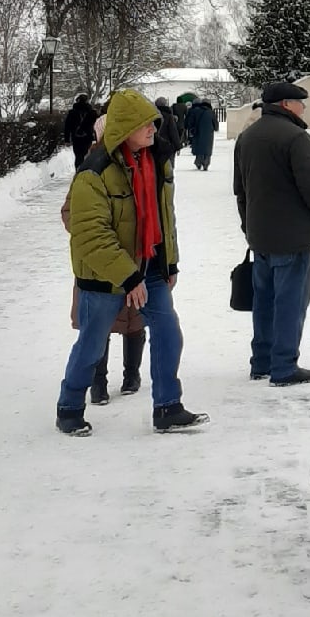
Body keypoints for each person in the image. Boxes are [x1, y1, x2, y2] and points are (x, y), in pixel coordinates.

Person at [56, 88, 208, 436]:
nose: (154, 130)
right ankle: (69, 405)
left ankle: (167, 406)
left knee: (169, 330)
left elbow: (164, 217)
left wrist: (169, 264)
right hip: (105, 276)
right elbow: (91, 235)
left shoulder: (156, 163)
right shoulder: (94, 172)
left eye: (154, 123)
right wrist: (127, 277)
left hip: (150, 267)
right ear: (125, 128)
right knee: (93, 342)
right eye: (146, 125)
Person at [233, 81, 310, 386]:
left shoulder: (247, 136)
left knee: (264, 300)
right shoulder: (296, 138)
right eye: (301, 103)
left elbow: (240, 189)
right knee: (290, 302)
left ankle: (261, 362)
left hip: (260, 234)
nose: (304, 108)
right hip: (293, 235)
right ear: (287, 104)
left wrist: (248, 226)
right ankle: (284, 366)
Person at [60, 112, 147, 401]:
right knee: (99, 330)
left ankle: (131, 374)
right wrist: (90, 235)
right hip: (99, 265)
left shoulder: (134, 164)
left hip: (130, 261)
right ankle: (97, 383)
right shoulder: (91, 169)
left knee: (133, 321)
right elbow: (70, 212)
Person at [63, 93, 98, 169]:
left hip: (76, 137)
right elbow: (96, 125)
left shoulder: (72, 112)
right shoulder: (92, 112)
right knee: (86, 154)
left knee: (78, 156)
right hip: (87, 137)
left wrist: (67, 139)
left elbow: (67, 126)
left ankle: (78, 170)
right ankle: (85, 171)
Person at [189, 97, 217, 171]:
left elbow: (191, 122)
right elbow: (216, 125)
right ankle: (206, 163)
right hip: (209, 134)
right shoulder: (211, 112)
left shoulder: (196, 111)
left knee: (200, 148)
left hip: (198, 133)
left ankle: (198, 162)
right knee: (207, 149)